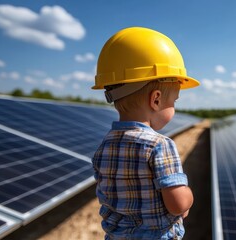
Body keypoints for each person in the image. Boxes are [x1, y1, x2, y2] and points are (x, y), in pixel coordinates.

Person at [91, 27, 200, 239]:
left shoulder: (104, 146)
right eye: (173, 102)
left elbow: (106, 196)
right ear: (156, 99)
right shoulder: (160, 145)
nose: (174, 108)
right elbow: (177, 204)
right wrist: (187, 199)